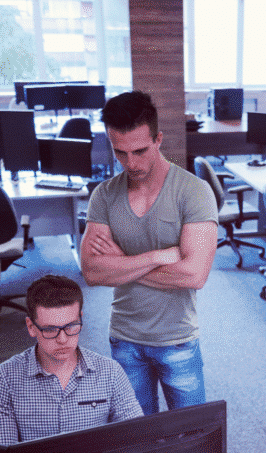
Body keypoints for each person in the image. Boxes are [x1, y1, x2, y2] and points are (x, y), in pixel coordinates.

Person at [80, 91, 218, 415]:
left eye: (141, 151)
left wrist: (120, 262)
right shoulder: (104, 195)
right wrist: (156, 256)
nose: (132, 163)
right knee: (139, 438)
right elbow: (92, 272)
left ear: (158, 139)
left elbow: (195, 275)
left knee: (190, 436)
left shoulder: (193, 192)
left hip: (177, 339)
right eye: (121, 153)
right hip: (125, 338)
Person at [0, 275, 143, 445]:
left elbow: (136, 437)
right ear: (31, 327)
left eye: (70, 326)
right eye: (50, 330)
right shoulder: (5, 378)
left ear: (81, 319)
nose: (62, 339)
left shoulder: (110, 372)